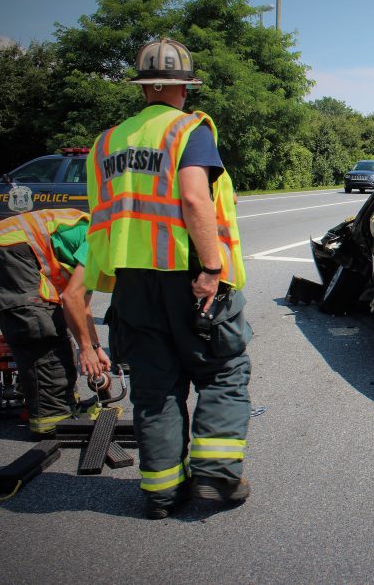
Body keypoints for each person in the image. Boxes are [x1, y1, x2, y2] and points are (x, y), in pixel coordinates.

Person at [85, 37, 253, 520]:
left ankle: (160, 492)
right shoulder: (188, 131)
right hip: (187, 276)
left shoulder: (107, 142)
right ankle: (215, 479)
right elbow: (195, 199)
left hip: (133, 284)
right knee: (223, 370)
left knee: (155, 386)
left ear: (143, 90)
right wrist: (212, 267)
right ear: (184, 89)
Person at [0, 209, 112, 435]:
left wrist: (95, 348)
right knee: (41, 330)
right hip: (11, 250)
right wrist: (86, 350)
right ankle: (52, 420)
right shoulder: (104, 241)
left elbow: (82, 306)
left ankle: (61, 403)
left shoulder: (100, 239)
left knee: (51, 329)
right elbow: (71, 298)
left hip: (14, 250)